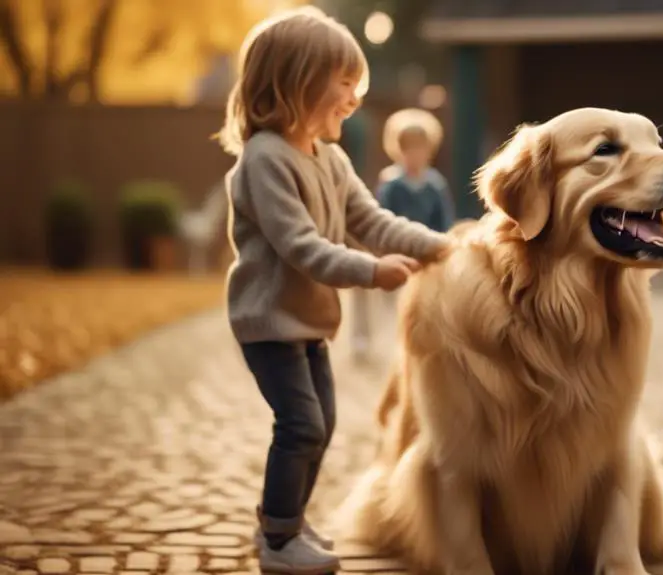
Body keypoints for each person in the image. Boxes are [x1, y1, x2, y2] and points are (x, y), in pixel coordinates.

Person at [216, 7, 451, 573]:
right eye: (344, 83)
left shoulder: (333, 159)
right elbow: (300, 246)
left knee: (321, 426)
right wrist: (372, 272)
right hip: (269, 322)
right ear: (296, 82)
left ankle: (286, 520)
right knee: (302, 426)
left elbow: (372, 222)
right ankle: (276, 542)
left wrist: (440, 247)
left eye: (356, 84)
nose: (354, 97)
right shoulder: (265, 160)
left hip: (309, 321)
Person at [375, 107, 455, 233]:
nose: (414, 153)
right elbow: (382, 222)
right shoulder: (391, 183)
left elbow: (444, 223)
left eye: (419, 146)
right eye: (408, 146)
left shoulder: (435, 184)